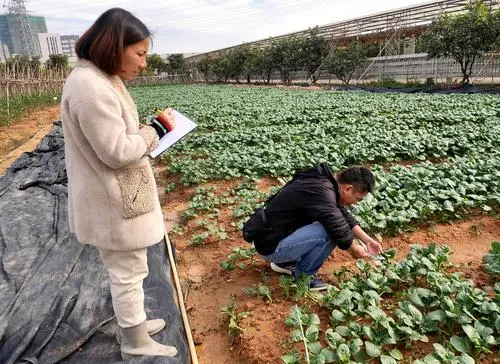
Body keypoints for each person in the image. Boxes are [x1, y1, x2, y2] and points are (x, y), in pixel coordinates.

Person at [61, 8, 178, 360]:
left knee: (133, 268)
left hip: (117, 195)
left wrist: (146, 130)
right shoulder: (90, 87)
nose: (143, 63)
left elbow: (116, 137)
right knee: (127, 273)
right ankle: (134, 340)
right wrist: (154, 130)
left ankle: (136, 323)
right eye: (140, 54)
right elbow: (116, 151)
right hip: (113, 202)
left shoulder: (99, 78)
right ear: (114, 46)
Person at [243, 162, 382, 291]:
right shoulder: (323, 192)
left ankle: (284, 263)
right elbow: (338, 228)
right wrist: (354, 249)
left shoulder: (325, 184)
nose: (356, 203)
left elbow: (343, 216)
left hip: (270, 239)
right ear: (348, 188)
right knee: (328, 231)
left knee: (330, 223)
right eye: (358, 198)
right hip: (272, 247)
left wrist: (367, 240)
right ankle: (303, 278)